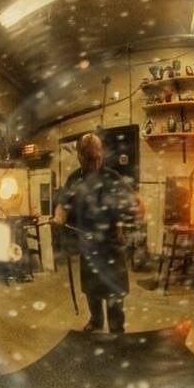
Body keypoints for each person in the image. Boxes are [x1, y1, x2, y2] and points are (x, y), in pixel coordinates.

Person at [53, 133, 141, 334]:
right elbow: (63, 205)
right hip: (88, 245)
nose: (95, 163)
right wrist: (58, 217)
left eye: (98, 157)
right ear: (79, 156)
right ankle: (96, 321)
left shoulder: (112, 177)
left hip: (112, 246)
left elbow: (135, 201)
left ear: (101, 153)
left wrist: (136, 206)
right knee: (92, 290)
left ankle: (116, 329)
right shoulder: (74, 179)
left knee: (114, 294)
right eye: (89, 159)